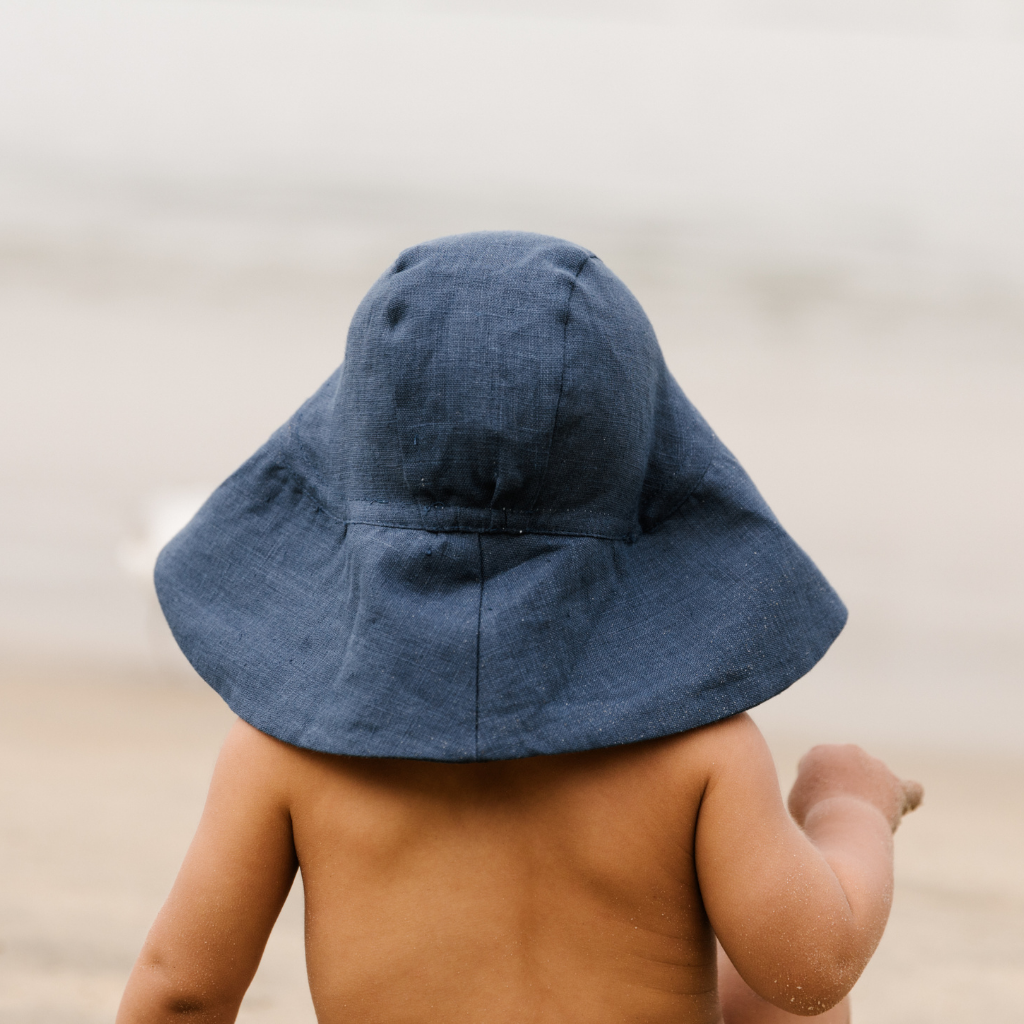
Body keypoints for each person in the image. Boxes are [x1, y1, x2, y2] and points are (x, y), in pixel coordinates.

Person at [116, 232, 922, 1023]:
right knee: (779, 995)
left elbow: (183, 992)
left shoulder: (285, 746)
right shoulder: (702, 751)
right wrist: (846, 809)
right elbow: (812, 967)